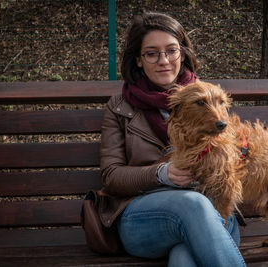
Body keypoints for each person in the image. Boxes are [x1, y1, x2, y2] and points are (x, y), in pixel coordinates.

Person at [100, 12, 246, 267]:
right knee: (193, 204)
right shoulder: (120, 107)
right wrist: (161, 174)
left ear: (183, 53)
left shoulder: (211, 96)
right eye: (152, 53)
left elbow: (238, 154)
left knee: (184, 258)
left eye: (171, 50)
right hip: (145, 217)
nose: (164, 61)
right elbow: (111, 177)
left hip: (212, 212)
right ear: (138, 60)